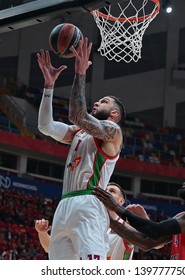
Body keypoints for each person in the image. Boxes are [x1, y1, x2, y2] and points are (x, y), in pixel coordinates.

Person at [37, 38, 125, 260]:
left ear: (114, 114)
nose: (97, 103)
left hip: (90, 204)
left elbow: (77, 114)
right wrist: (49, 87)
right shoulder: (77, 132)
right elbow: (45, 126)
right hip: (65, 202)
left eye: (104, 102)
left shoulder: (112, 132)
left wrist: (80, 73)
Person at [93, 171, 185, 260]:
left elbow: (156, 230)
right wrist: (110, 221)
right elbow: (147, 243)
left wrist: (116, 207)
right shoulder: (182, 217)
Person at [35, 183, 134, 260]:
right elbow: (51, 248)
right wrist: (42, 233)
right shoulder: (86, 220)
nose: (106, 192)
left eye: (112, 191)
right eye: (105, 190)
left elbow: (139, 237)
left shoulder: (125, 226)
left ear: (121, 201)